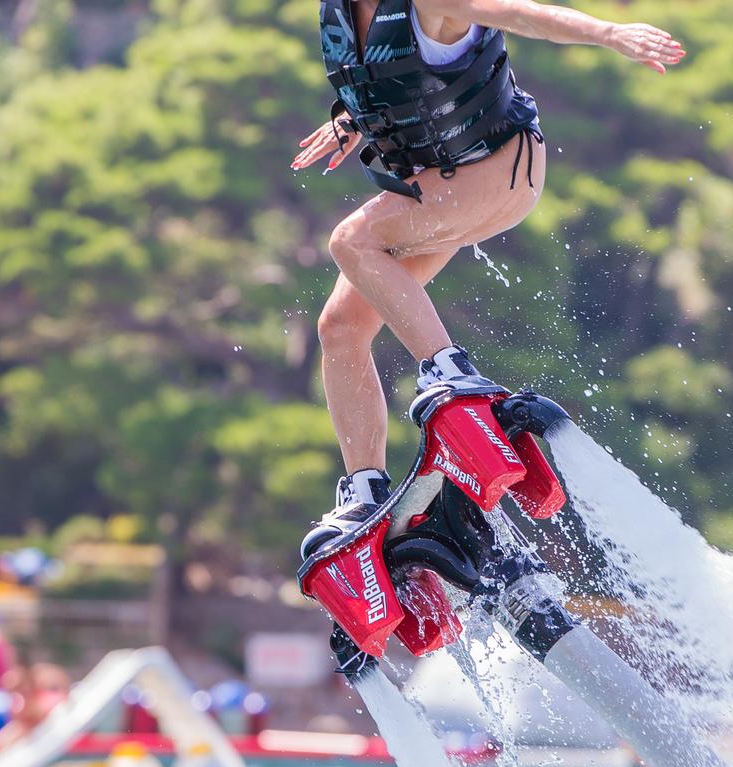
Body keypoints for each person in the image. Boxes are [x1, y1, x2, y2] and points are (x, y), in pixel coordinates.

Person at [293, 0, 685, 552]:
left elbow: (520, 14)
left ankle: (451, 376)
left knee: (351, 241)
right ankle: (365, 495)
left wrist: (609, 33)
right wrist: (351, 121)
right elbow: (400, 78)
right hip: (438, 185)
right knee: (341, 327)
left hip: (500, 170)